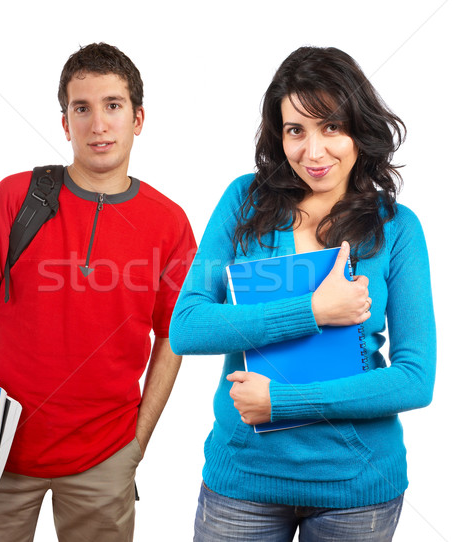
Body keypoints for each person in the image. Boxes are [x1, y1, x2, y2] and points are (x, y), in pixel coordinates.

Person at [0, 42, 196, 542]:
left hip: (105, 457)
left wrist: (136, 444)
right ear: (65, 122)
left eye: (113, 106)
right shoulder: (15, 197)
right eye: (82, 108)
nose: (98, 124)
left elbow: (173, 338)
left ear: (138, 118)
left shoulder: (169, 222)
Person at [170, 46, 435, 541]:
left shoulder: (397, 229)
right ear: (280, 135)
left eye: (331, 127)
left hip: (357, 489)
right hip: (244, 481)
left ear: (360, 127)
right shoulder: (244, 202)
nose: (313, 152)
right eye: (296, 131)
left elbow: (415, 379)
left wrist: (285, 402)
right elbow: (187, 326)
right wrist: (312, 310)